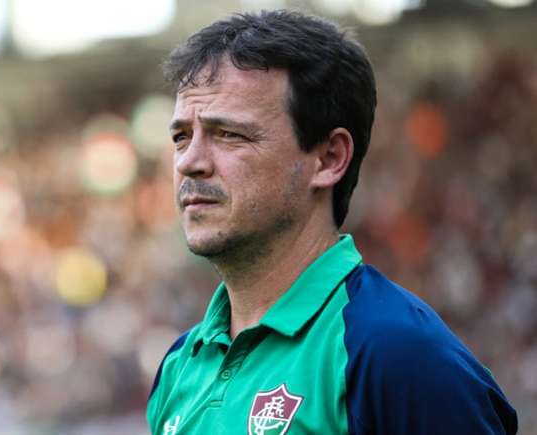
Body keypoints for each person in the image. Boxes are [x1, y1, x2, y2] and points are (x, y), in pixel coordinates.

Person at [146, 10, 518, 435]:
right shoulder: (179, 367)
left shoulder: (395, 355)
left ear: (328, 159)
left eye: (229, 134)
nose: (190, 161)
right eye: (181, 137)